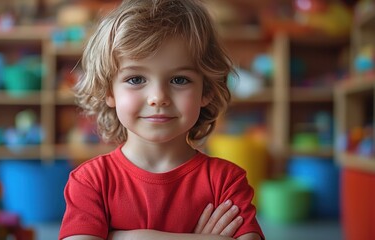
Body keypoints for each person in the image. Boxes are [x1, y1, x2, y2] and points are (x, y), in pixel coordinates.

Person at [59, 0, 264, 239]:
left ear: (206, 90)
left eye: (179, 80)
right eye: (136, 79)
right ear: (109, 91)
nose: (158, 98)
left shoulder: (226, 180)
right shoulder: (90, 181)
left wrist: (126, 236)